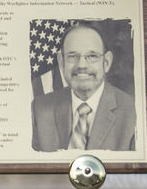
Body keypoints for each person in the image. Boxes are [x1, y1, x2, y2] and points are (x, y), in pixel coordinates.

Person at [31, 23, 136, 151]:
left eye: (92, 56)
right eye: (72, 56)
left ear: (106, 62)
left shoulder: (133, 111)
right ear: (61, 62)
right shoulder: (40, 109)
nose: (81, 65)